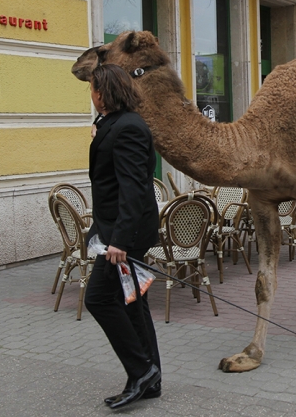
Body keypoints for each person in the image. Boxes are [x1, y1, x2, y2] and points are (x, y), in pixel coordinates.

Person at [84, 64, 162, 408]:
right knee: (134, 302)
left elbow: (133, 188)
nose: (90, 93)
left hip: (123, 234)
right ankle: (151, 378)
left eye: (92, 88)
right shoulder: (118, 123)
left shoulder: (128, 127)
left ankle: (141, 371)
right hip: (117, 229)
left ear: (103, 91)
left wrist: (120, 240)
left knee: (99, 299)